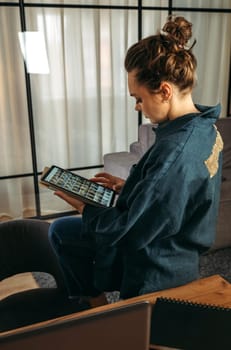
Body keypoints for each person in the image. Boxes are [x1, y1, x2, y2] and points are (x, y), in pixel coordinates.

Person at [48, 15, 223, 306]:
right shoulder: (205, 126)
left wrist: (84, 207)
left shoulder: (175, 153)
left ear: (165, 91)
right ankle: (94, 305)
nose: (137, 106)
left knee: (63, 232)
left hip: (155, 265)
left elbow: (125, 231)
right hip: (176, 245)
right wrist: (132, 186)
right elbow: (173, 193)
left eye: (139, 98)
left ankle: (95, 311)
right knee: (61, 230)